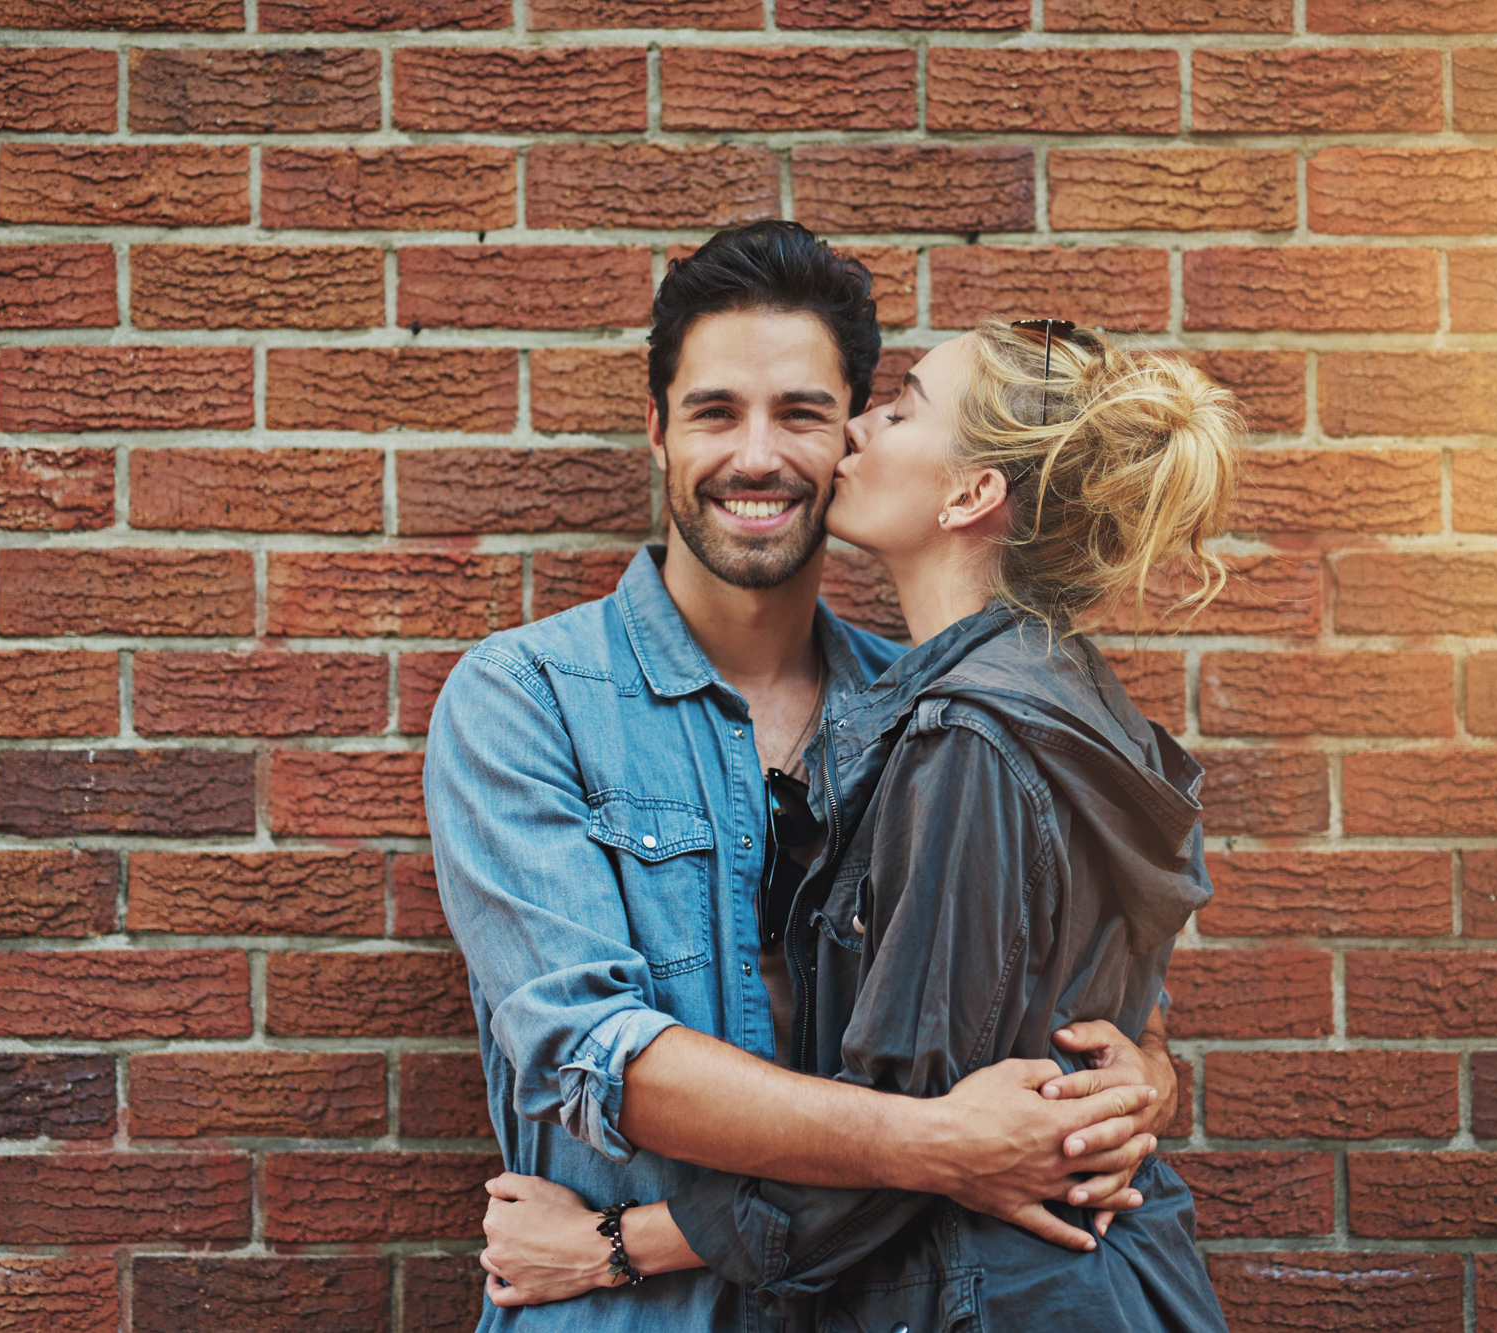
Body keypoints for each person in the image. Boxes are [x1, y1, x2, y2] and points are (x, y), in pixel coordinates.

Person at [424, 222, 1182, 1331]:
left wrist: (1138, 1084)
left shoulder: (939, 711)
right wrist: (939, 1145)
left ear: (849, 438)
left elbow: (1089, 1003)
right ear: (656, 432)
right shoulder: (525, 698)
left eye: (804, 413)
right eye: (714, 411)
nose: (756, 455)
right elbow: (600, 1057)